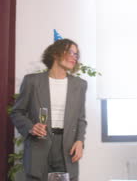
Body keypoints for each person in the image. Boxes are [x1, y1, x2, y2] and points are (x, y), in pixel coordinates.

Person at [11, 39, 87, 181]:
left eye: (76, 54)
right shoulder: (32, 81)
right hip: (39, 145)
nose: (74, 57)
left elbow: (81, 118)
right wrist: (30, 127)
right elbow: (17, 112)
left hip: (67, 148)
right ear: (55, 54)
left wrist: (80, 141)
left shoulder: (80, 85)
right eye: (70, 52)